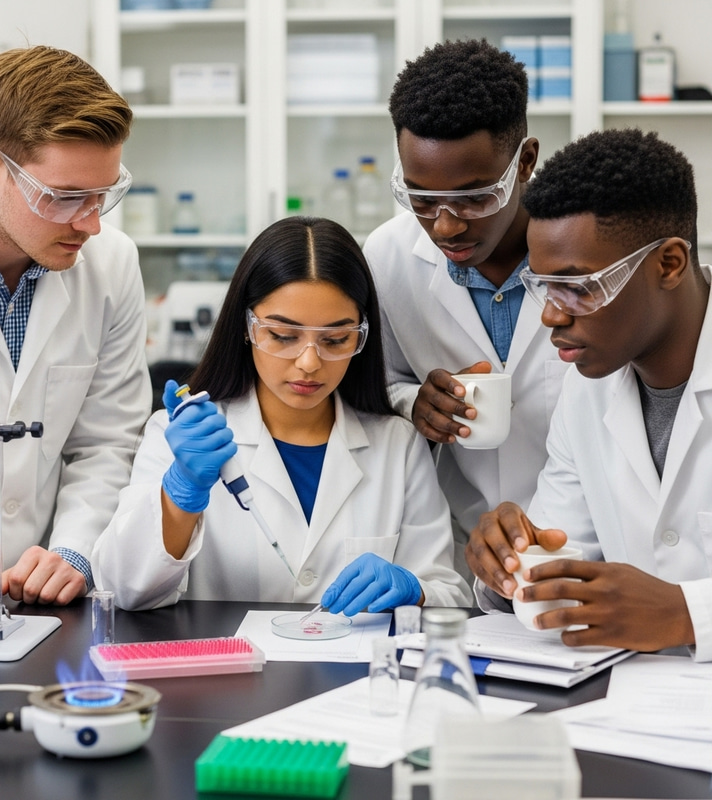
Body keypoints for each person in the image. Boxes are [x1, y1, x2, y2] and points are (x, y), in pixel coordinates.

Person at [92, 216, 471, 612]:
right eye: (283, 336)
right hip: (229, 669)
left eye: (336, 339)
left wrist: (416, 590)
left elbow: (450, 593)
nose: (309, 362)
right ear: (247, 327)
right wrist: (180, 493)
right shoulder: (180, 437)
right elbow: (124, 591)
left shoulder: (399, 445)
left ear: (362, 336)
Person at [0, 46, 152, 610]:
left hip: (42, 608)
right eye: (66, 197)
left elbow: (107, 442)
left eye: (104, 194)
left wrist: (73, 552)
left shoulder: (112, 264)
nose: (91, 223)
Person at [466, 128, 712, 658]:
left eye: (579, 287)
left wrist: (684, 614)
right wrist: (510, 564)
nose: (551, 316)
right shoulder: (586, 390)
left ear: (668, 263)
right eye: (543, 286)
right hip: (630, 702)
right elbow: (561, 558)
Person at [363, 39, 567, 584]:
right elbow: (373, 384)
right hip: (455, 557)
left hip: (582, 545)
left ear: (525, 162)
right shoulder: (386, 257)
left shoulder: (583, 259)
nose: (446, 226)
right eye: (421, 200)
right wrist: (414, 404)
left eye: (475, 198)